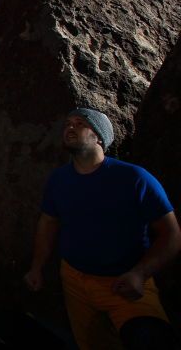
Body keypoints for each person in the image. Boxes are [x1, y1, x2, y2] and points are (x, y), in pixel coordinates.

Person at [24, 108, 181, 350]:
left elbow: (171, 234)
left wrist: (140, 273)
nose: (70, 127)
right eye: (68, 123)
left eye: (80, 123)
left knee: (148, 337)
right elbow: (48, 223)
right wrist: (37, 267)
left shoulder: (134, 178)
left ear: (99, 136)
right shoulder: (59, 180)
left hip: (123, 282)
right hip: (75, 280)